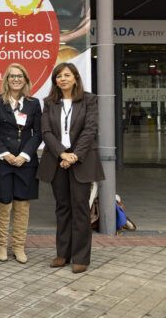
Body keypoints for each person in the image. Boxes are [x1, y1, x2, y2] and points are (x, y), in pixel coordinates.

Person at [38, 62, 105, 274]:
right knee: (63, 208)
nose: (63, 79)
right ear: (55, 81)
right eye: (58, 76)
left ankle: (81, 257)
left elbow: (90, 129)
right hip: (58, 161)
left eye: (67, 75)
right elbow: (46, 132)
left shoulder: (89, 100)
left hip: (82, 160)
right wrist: (62, 154)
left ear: (75, 77)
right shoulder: (50, 102)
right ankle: (62, 254)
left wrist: (74, 155)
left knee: (80, 209)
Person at [0, 63, 42, 264]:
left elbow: (38, 133)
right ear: (6, 79)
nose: (16, 79)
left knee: (22, 205)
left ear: (26, 80)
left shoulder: (33, 103)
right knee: (3, 204)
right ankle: (1, 245)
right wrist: (4, 153)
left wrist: (25, 155)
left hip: (25, 163)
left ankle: (19, 246)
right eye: (12, 76)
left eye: (20, 76)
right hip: (4, 162)